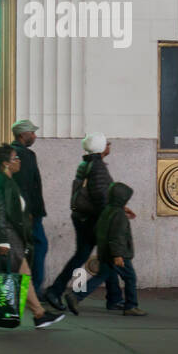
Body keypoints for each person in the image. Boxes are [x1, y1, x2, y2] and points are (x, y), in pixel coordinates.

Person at [0, 144, 64, 331]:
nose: (18, 161)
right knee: (14, 272)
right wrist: (2, 240)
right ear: (5, 164)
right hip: (6, 237)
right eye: (15, 158)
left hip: (9, 236)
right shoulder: (1, 182)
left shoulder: (6, 181)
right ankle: (39, 314)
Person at [43, 134, 125, 314]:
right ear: (101, 148)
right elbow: (102, 196)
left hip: (82, 217)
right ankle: (64, 292)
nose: (109, 146)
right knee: (104, 257)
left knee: (90, 255)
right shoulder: (98, 168)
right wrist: (111, 217)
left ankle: (114, 297)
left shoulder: (86, 164)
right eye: (107, 143)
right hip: (94, 219)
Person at [9, 119, 48, 294]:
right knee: (39, 246)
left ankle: (29, 289)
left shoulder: (16, 153)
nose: (34, 136)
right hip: (29, 213)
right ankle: (34, 289)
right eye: (32, 132)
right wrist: (29, 212)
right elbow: (26, 186)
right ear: (22, 134)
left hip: (24, 211)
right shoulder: (24, 155)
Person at [95, 182, 145, 316]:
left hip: (106, 251)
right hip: (118, 254)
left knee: (104, 276)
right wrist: (118, 255)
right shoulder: (119, 215)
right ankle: (131, 305)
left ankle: (77, 296)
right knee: (130, 277)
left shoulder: (109, 210)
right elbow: (116, 236)